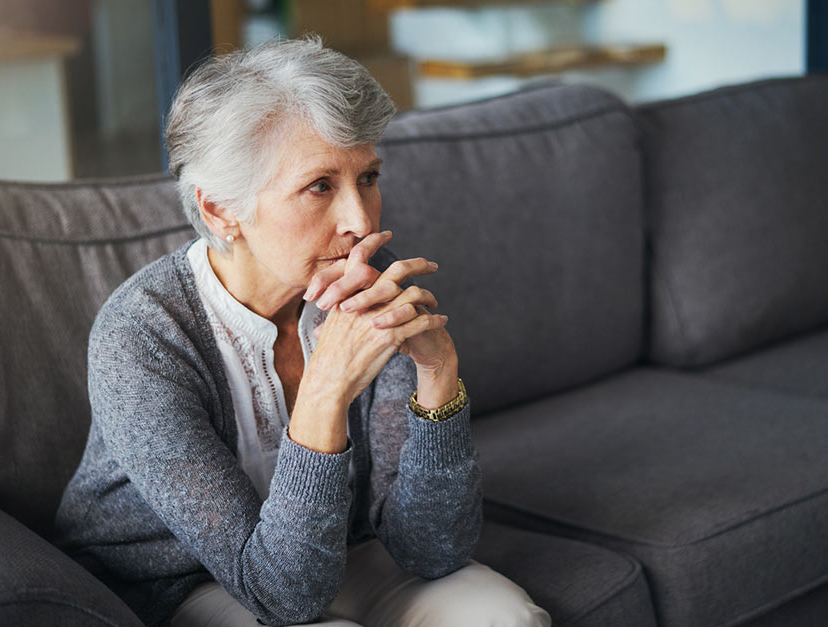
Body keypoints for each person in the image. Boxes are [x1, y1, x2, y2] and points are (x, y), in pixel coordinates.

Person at [54, 38, 551, 627]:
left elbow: (433, 551)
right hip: (183, 582)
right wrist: (324, 392)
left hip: (341, 551)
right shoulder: (141, 337)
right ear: (220, 211)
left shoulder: (364, 289)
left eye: (367, 177)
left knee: (502, 616)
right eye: (319, 186)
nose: (362, 221)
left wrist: (438, 377)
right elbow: (283, 597)